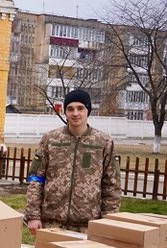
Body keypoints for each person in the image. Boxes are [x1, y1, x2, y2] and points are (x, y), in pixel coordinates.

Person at [25, 89, 121, 234]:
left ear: (88, 110)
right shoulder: (51, 139)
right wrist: (33, 215)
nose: (75, 113)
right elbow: (36, 179)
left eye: (80, 108)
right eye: (70, 109)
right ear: (65, 112)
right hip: (52, 223)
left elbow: (112, 185)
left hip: (88, 226)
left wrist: (108, 220)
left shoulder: (103, 142)